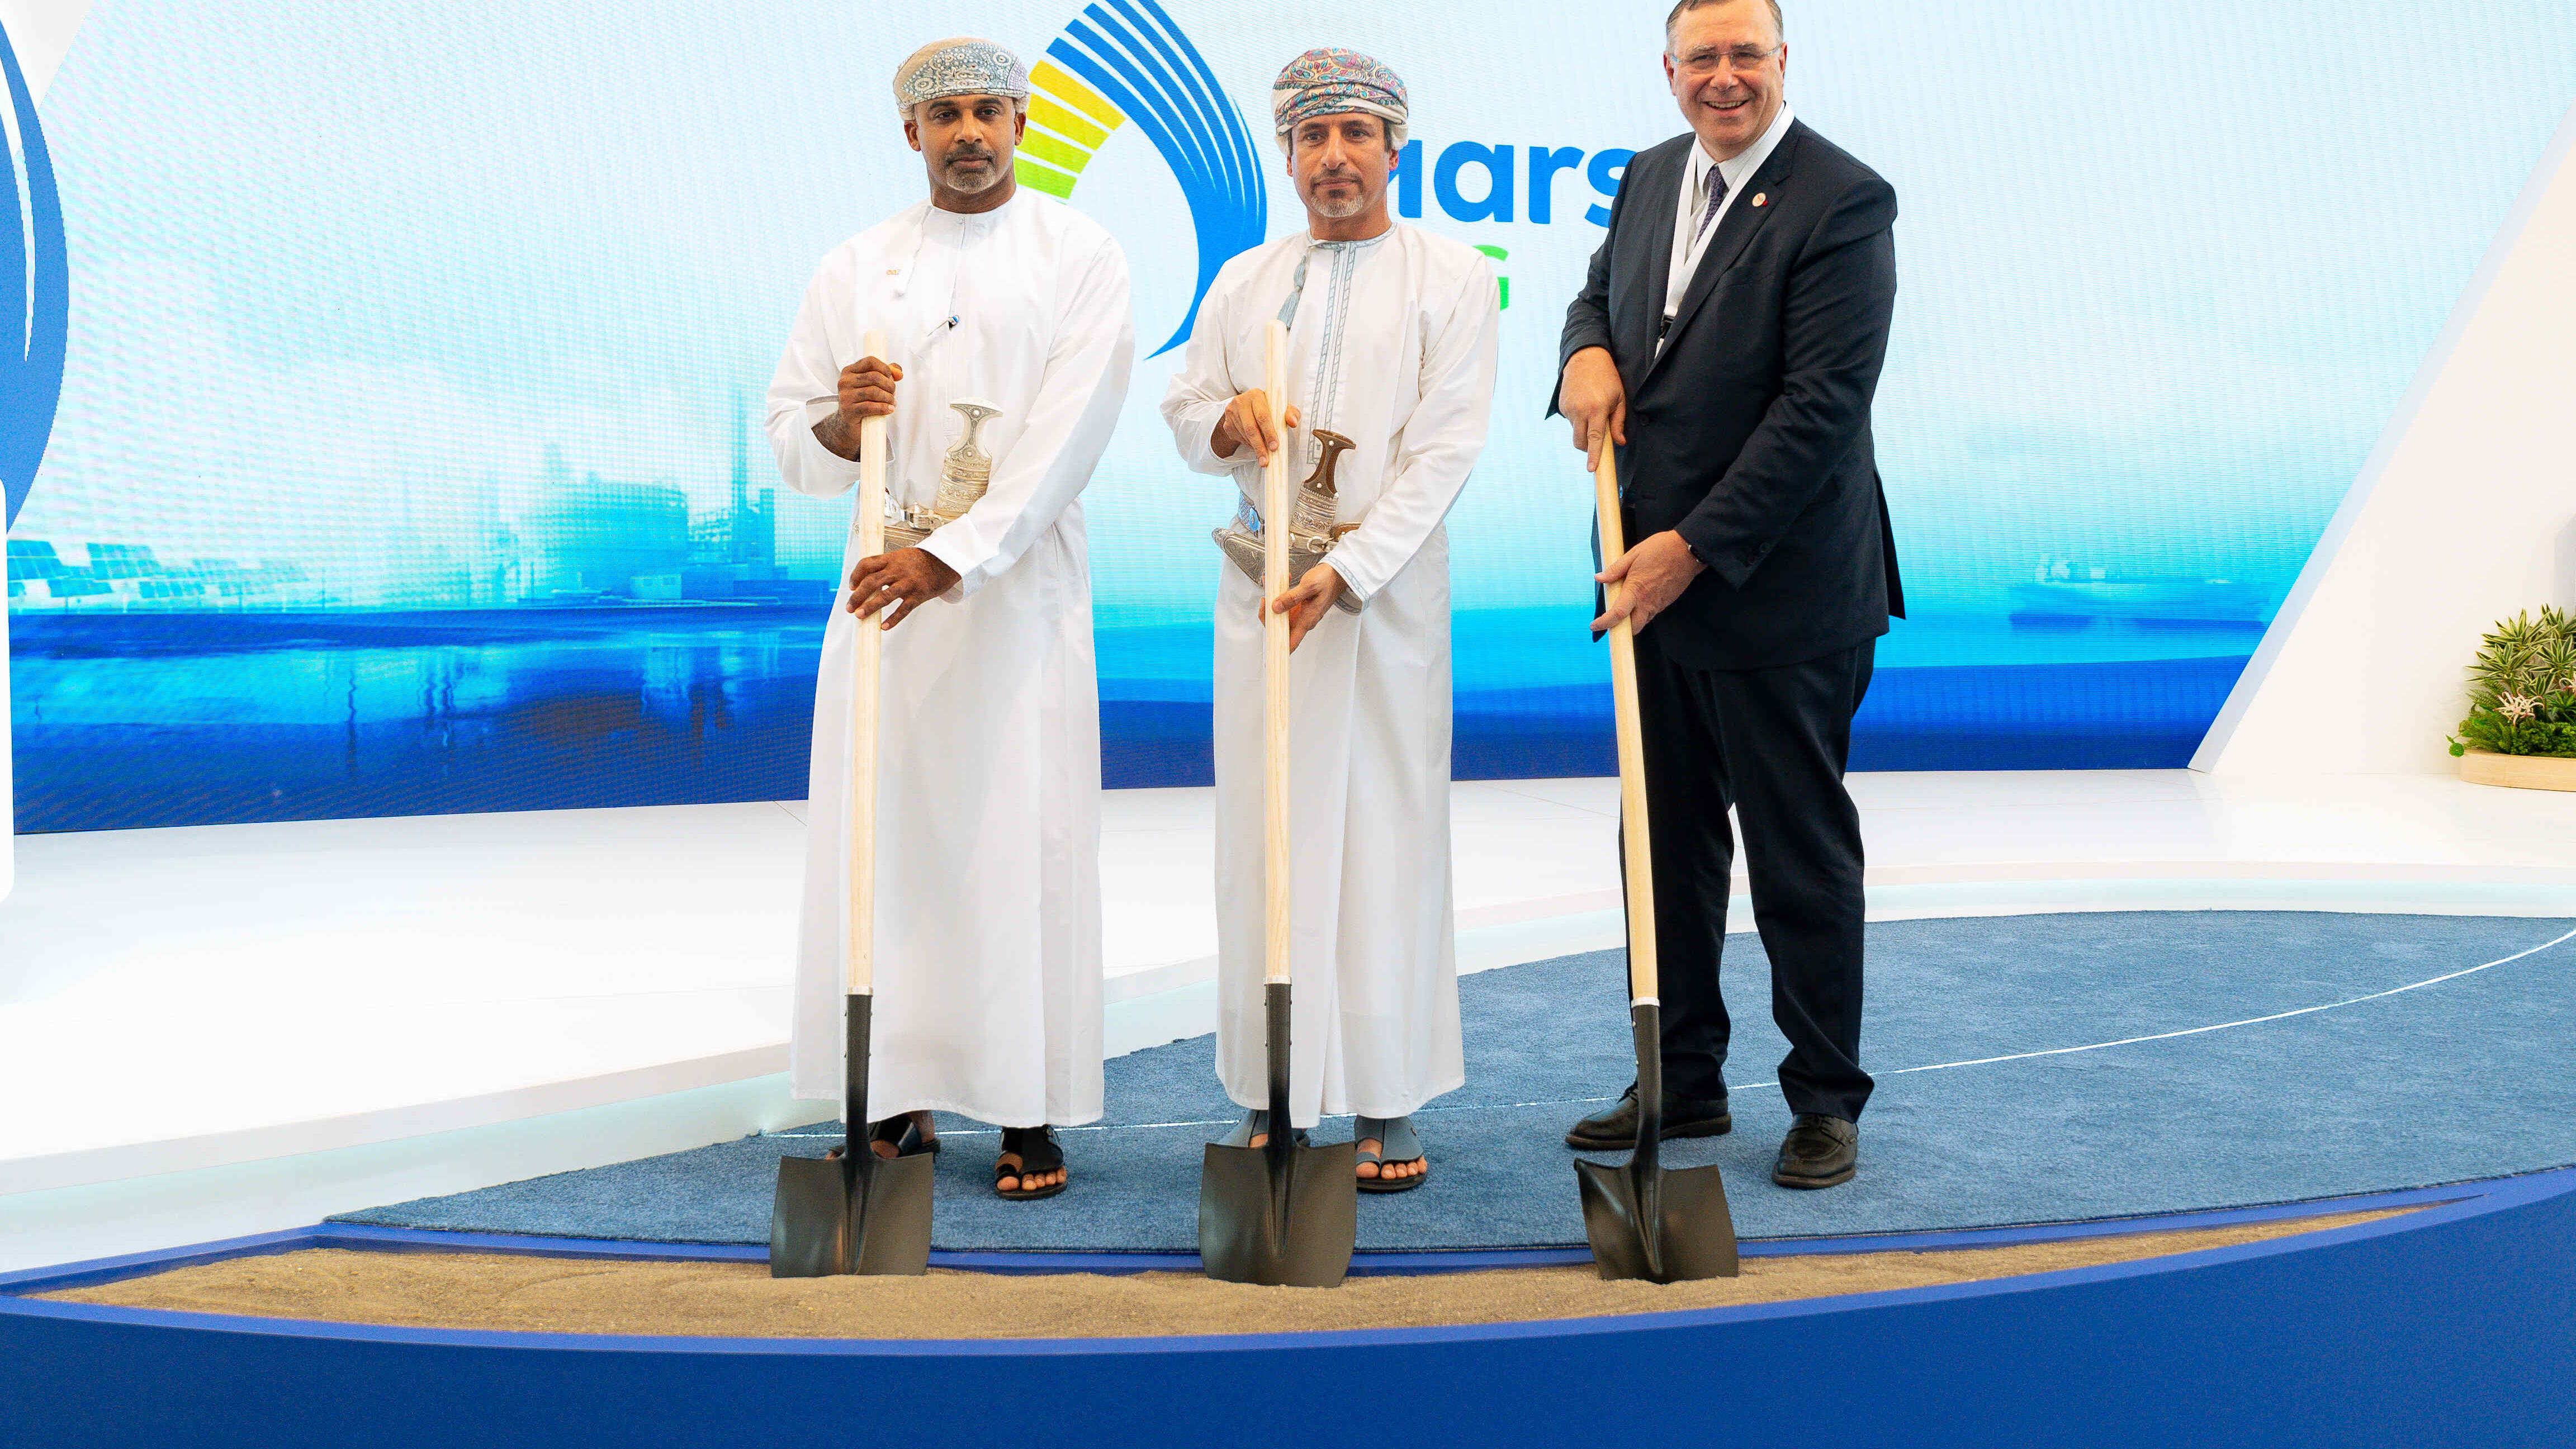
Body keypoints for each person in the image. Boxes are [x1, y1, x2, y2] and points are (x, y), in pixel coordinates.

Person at [765, 37, 1134, 1201]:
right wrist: (839, 423)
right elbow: (791, 439)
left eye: (987, 111)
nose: (968, 133)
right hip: (885, 598)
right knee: (886, 846)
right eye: (944, 116)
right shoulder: (856, 265)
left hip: (1014, 597)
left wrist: (952, 556)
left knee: (1021, 842)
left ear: (1021, 122)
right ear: (911, 132)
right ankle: (895, 1097)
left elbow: (1072, 431)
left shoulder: (1079, 254)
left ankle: (1027, 1108)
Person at [1552, 0, 1902, 1190]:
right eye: (1702, 56)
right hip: (1643, 582)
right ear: (1670, 70)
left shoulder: (1845, 201)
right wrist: (1581, 352)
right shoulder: (1650, 175)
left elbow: (1822, 409)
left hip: (1777, 587)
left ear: (1783, 61)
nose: (1725, 76)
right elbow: (1598, 297)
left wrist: (1691, 548)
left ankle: (1825, 1100)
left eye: (1746, 53)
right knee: (1661, 846)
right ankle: (1682, 1080)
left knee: (1798, 857)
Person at [1160, 49, 1499, 1192]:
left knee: (1386, 838)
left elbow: (1446, 446)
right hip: (1263, 589)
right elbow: (1185, 407)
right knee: (1265, 835)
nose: (1335, 157)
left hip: (1383, 599)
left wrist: (1351, 568)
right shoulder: (1247, 279)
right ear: (1287, 153)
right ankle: (1272, 1087)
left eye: (1357, 134)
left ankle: (1384, 1094)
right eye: (1313, 136)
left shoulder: (1452, 277)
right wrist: (1227, 421)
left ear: (1397, 149)